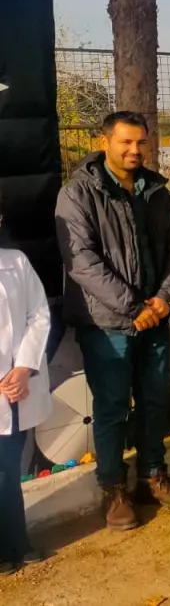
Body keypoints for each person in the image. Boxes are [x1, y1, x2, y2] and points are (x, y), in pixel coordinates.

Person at [55, 111, 170, 531]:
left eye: (140, 142)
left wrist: (164, 298)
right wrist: (134, 308)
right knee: (112, 408)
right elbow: (82, 262)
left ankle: (152, 474)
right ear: (104, 142)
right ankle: (113, 490)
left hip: (155, 317)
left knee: (153, 400)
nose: (134, 150)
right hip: (106, 323)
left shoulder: (155, 190)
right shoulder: (79, 193)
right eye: (125, 142)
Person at [0, 238, 51, 574]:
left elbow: (39, 314)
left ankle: (17, 541)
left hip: (16, 388)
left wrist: (23, 367)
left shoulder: (15, 261)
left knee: (7, 466)